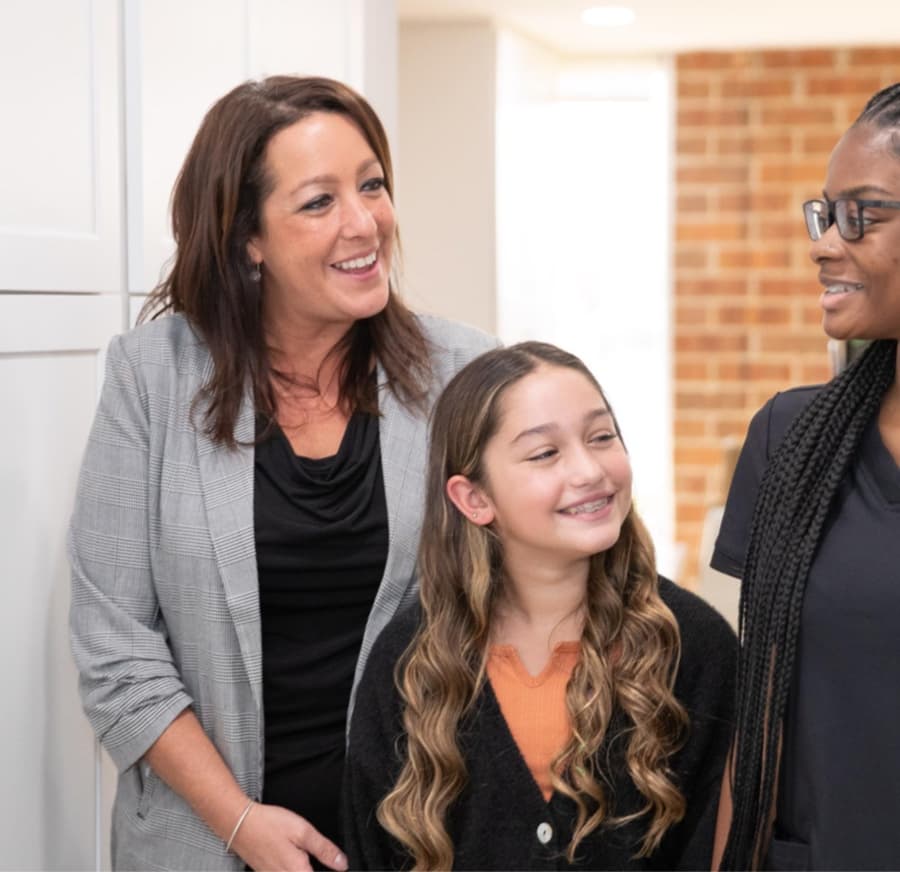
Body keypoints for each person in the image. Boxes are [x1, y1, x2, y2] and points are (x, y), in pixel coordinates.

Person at [67, 75, 497, 871]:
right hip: (205, 839)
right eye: (318, 201)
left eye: (371, 184)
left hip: (418, 838)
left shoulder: (462, 371)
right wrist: (242, 825)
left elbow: (522, 591)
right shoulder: (150, 378)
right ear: (246, 238)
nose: (365, 221)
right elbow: (115, 647)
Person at [344, 342, 737, 870]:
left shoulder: (695, 646)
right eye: (545, 453)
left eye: (602, 437)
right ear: (474, 499)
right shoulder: (409, 662)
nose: (589, 470)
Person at [711, 82, 900, 870]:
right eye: (825, 214)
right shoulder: (791, 441)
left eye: (863, 214)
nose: (825, 242)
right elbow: (760, 720)